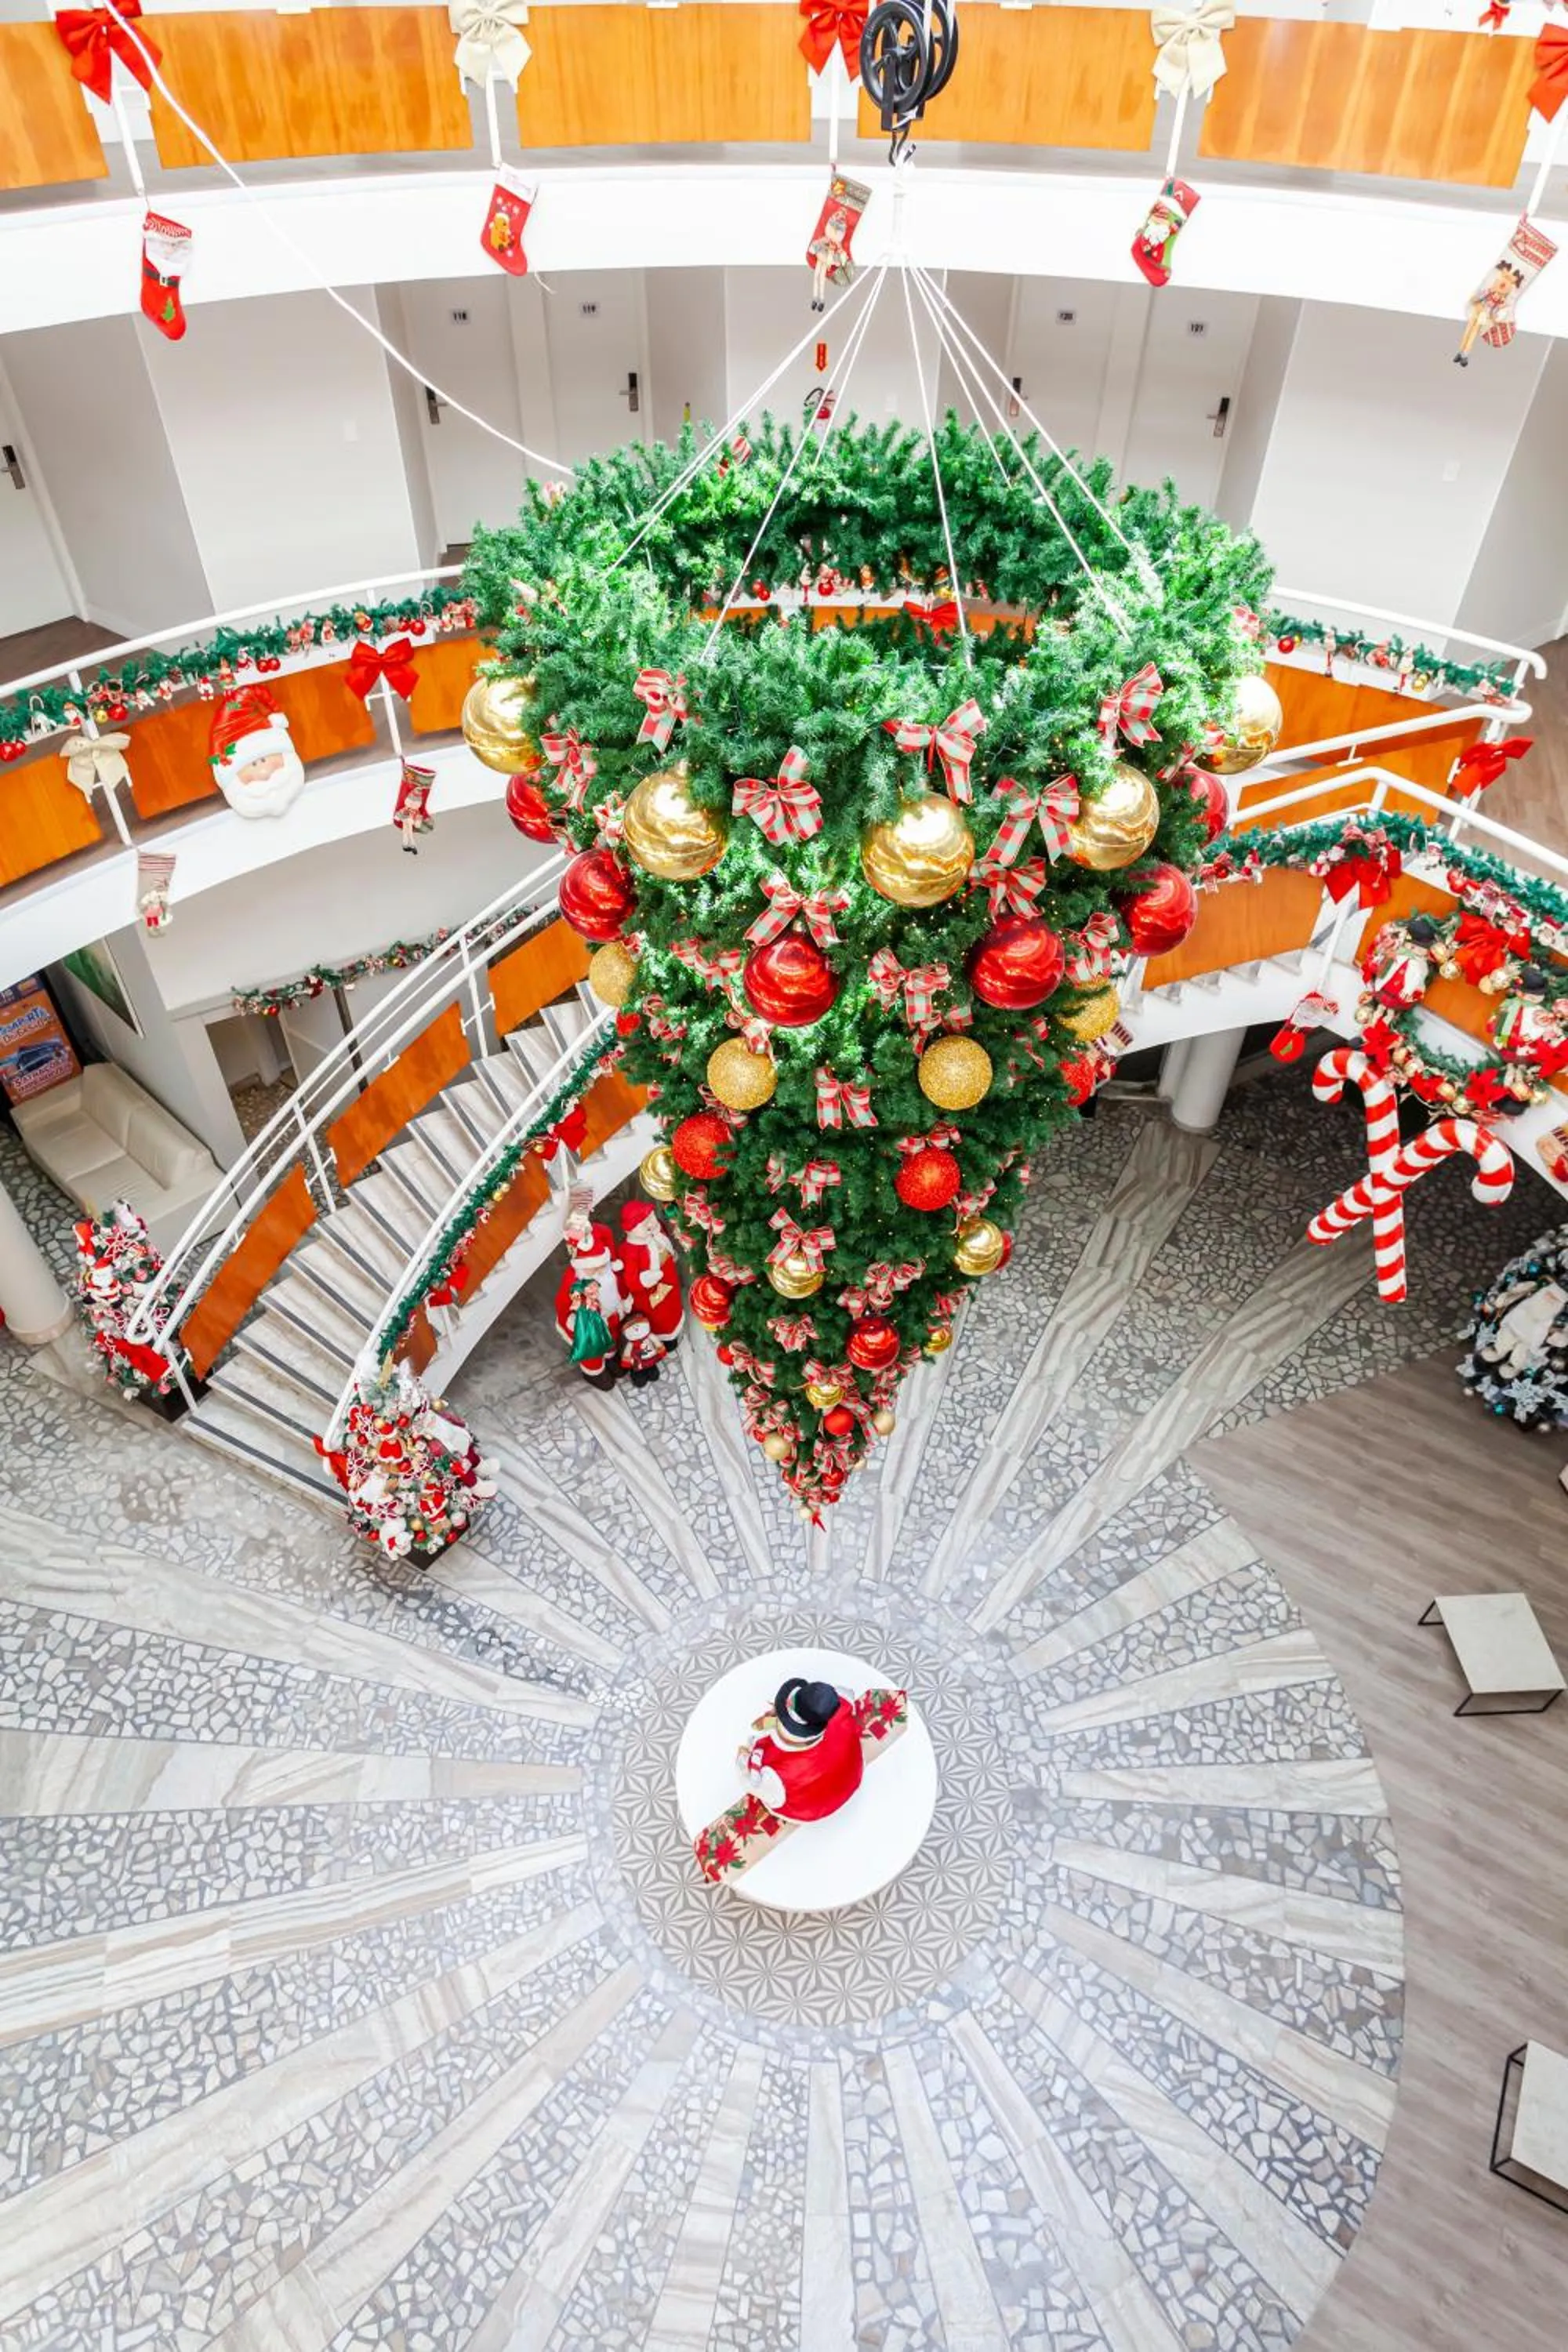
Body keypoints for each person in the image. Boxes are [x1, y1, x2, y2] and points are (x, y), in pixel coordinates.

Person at [741, 1676, 864, 1822]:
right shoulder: (843, 1702)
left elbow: (748, 1780)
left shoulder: (771, 1770)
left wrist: (744, 1757)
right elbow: (844, 1693)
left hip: (808, 1810)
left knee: (772, 1794)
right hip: (853, 1775)